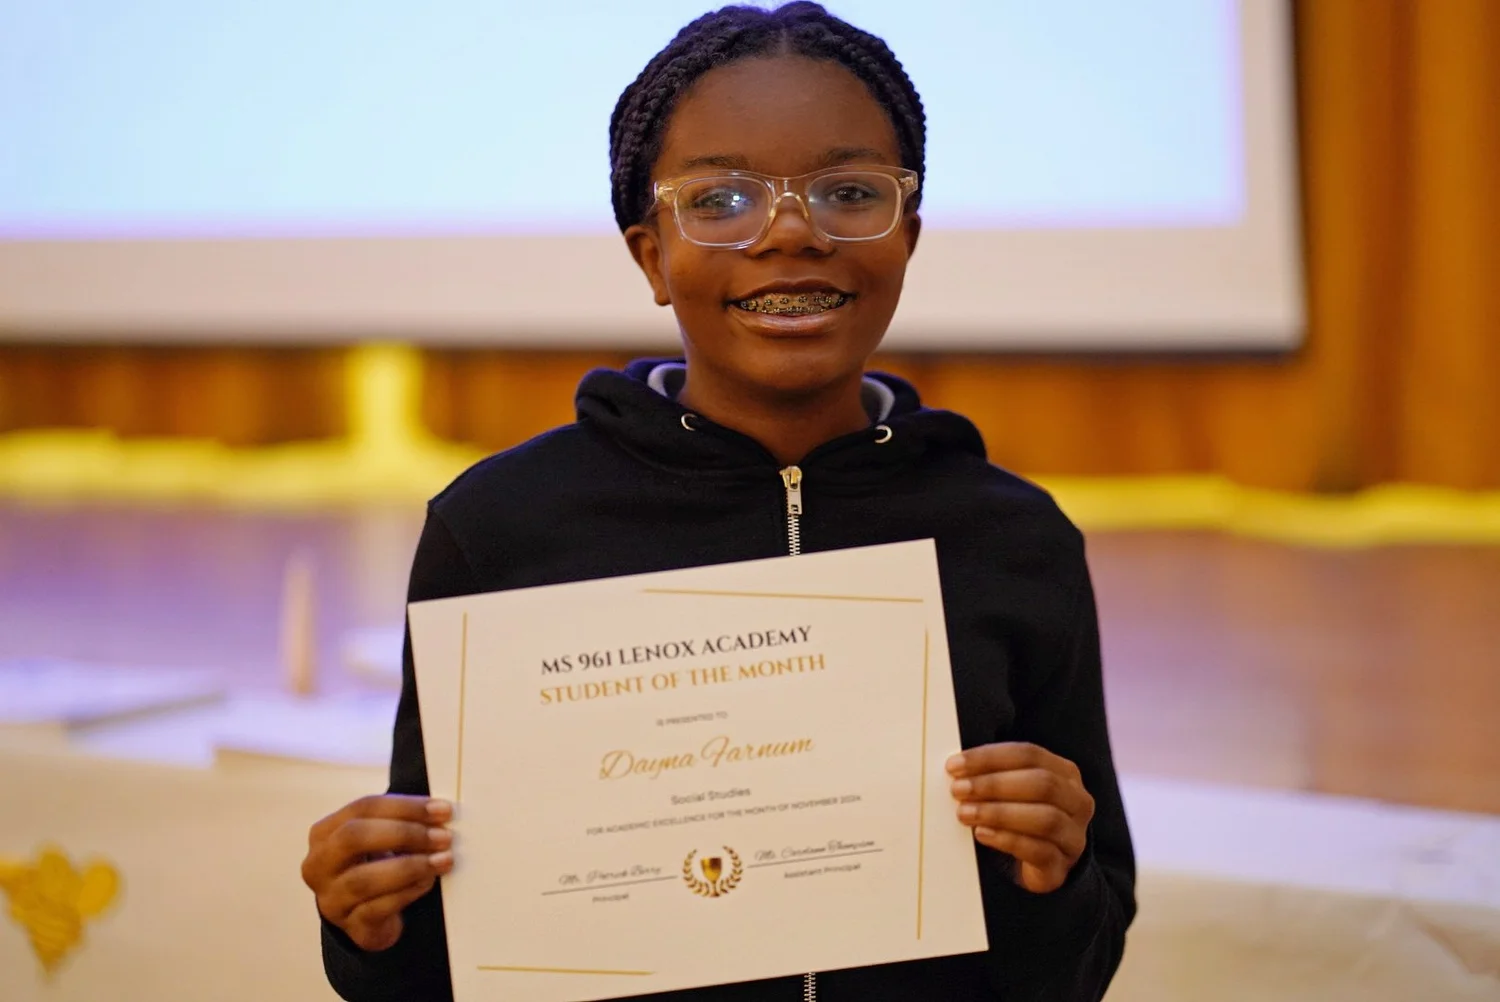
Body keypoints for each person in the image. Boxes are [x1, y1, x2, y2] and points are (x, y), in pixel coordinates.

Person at [300, 4, 1135, 1000]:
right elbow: (448, 964)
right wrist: (370, 925)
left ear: (907, 235)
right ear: (651, 254)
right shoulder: (499, 528)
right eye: (723, 198)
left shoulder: (1014, 540)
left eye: (850, 191)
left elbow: (1081, 963)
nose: (790, 231)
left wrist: (1053, 874)